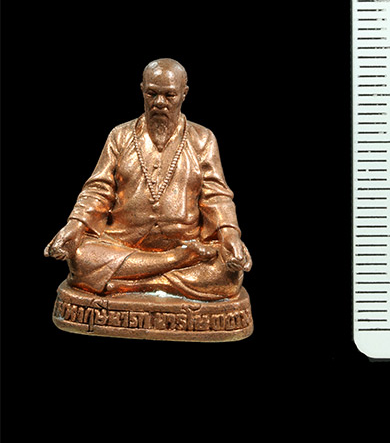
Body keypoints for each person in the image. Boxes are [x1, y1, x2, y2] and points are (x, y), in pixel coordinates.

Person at [44, 58, 251, 301]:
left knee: (228, 274)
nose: (159, 102)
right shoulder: (120, 136)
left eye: (169, 95)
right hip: (123, 244)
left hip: (187, 241)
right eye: (152, 94)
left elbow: (216, 196)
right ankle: (173, 264)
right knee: (80, 258)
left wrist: (229, 235)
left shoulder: (202, 139)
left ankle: (131, 283)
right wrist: (75, 226)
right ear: (142, 90)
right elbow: (98, 190)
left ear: (184, 94)